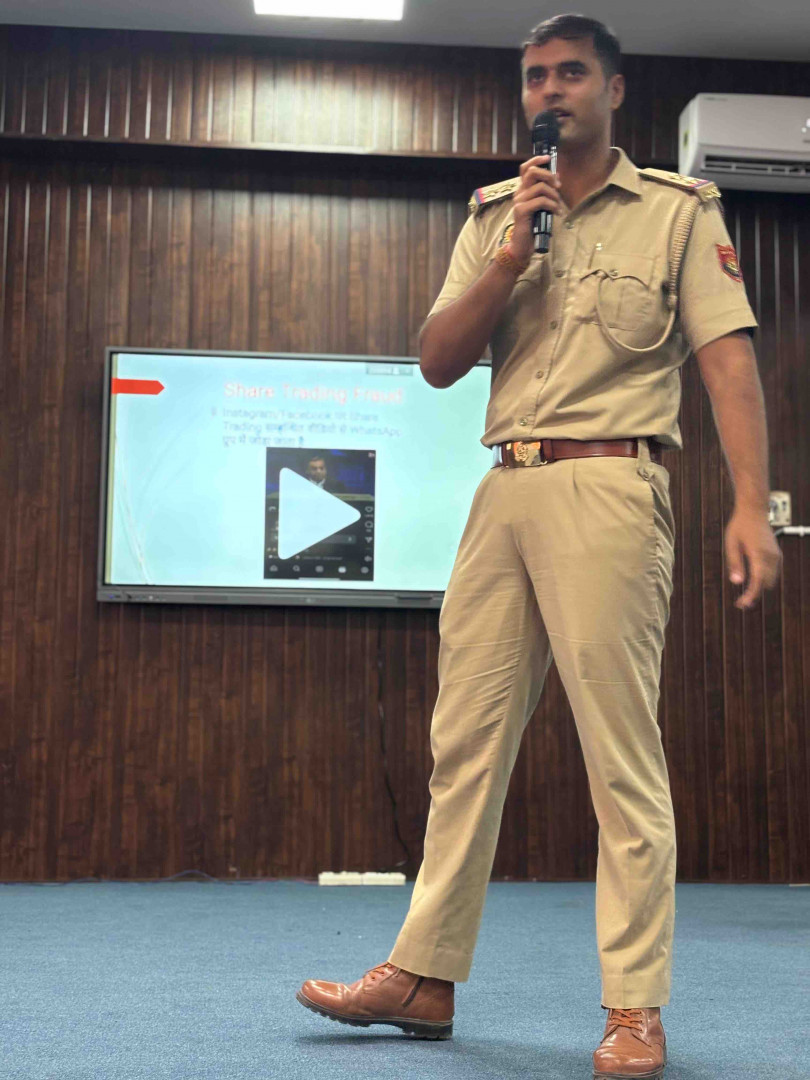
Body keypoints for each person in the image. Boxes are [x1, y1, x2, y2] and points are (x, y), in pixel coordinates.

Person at [296, 14, 782, 1077]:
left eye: (570, 73)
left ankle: (634, 1006)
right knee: (463, 742)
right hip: (503, 487)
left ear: (613, 88)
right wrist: (512, 252)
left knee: (620, 755)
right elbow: (437, 360)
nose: (550, 91)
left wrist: (752, 503)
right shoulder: (496, 214)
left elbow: (728, 360)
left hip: (612, 482)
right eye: (534, 78)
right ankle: (424, 976)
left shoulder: (678, 212)